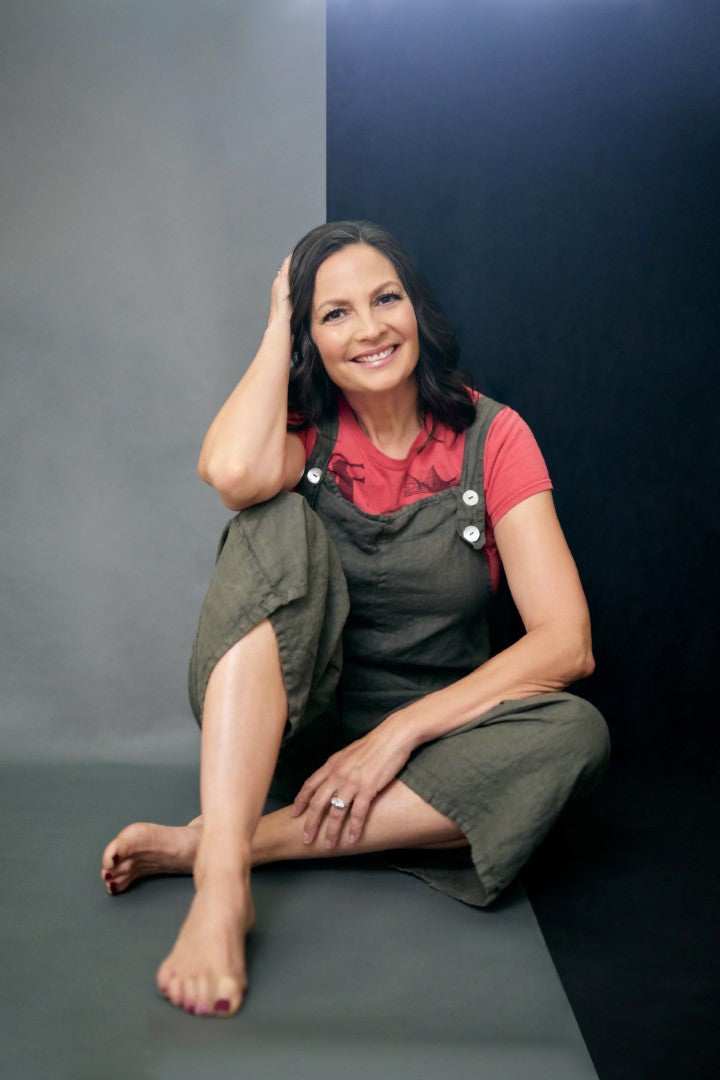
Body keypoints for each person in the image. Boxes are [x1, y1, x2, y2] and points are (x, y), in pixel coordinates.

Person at [101, 220, 609, 1019]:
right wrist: (277, 317)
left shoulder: (494, 435)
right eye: (333, 313)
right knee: (268, 517)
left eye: (385, 299)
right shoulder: (299, 435)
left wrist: (397, 736)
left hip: (433, 751)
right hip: (297, 728)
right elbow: (233, 471)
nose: (369, 328)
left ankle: (225, 844)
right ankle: (223, 891)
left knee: (575, 733)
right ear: (308, 336)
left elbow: (566, 641)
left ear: (418, 312)